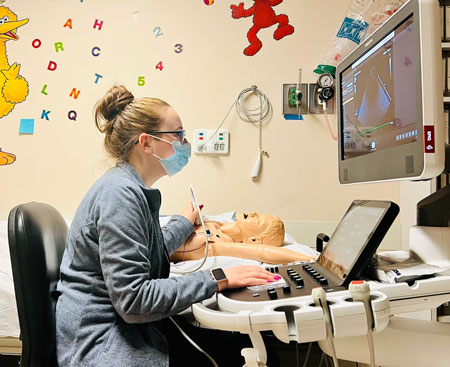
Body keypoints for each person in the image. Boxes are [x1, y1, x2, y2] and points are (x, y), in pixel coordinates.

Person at [55, 85, 278, 367]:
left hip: (123, 329)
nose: (185, 144)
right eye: (178, 135)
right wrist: (218, 278)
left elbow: (148, 248)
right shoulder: (120, 195)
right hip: (103, 344)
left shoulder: (128, 187)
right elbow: (134, 301)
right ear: (146, 143)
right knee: (236, 352)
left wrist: (184, 222)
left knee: (237, 345)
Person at [171, 212, 316, 264]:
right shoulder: (215, 223)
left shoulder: (216, 244)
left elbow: (262, 252)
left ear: (254, 240)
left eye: (258, 219)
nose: (253, 213)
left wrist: (309, 259)